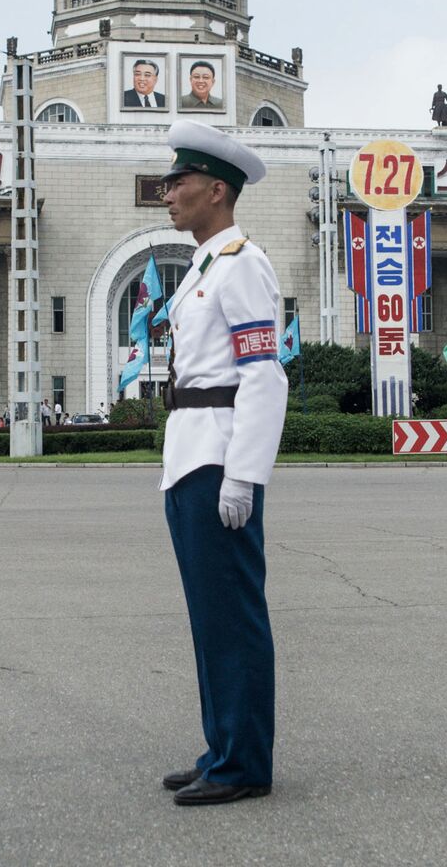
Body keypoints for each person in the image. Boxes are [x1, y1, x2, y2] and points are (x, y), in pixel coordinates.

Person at [153, 119, 287, 807]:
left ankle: (244, 763)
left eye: (179, 182)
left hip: (218, 460)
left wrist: (243, 475)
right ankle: (222, 746)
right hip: (189, 454)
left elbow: (265, 374)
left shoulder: (243, 264)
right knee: (210, 617)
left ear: (216, 189)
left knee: (232, 615)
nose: (168, 191)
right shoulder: (205, 266)